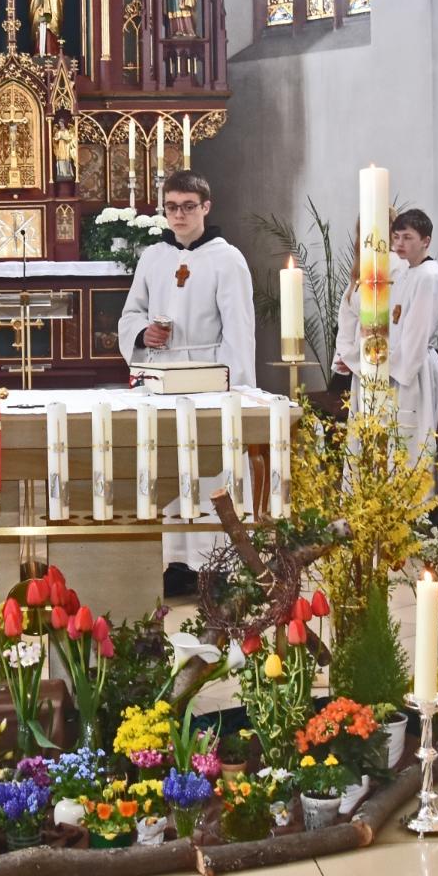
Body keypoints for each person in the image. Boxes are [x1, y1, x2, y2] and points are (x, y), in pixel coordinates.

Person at [117, 169, 257, 597]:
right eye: (172, 206)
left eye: (188, 206)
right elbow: (130, 314)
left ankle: (215, 568)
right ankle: (176, 563)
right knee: (171, 471)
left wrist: (235, 389)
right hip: (161, 379)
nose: (179, 214)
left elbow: (239, 330)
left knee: (211, 471)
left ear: (206, 207)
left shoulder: (226, 259)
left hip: (209, 380)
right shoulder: (152, 257)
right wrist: (144, 334)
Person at [334, 207, 438, 468]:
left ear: (425, 240)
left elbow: (410, 339)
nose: (398, 243)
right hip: (379, 364)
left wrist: (363, 360)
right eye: (396, 237)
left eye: (405, 237)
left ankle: (405, 507)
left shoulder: (418, 274)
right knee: (375, 447)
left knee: (406, 446)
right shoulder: (407, 272)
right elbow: (351, 314)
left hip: (404, 370)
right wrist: (349, 356)